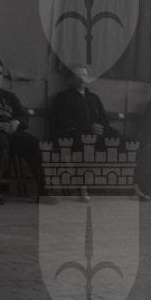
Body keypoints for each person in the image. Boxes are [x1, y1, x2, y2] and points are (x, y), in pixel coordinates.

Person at [0, 58, 56, 205]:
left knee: (34, 144)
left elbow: (23, 116)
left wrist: (16, 122)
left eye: (0, 73)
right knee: (0, 143)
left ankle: (43, 193)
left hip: (11, 133)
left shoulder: (9, 97)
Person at [50, 64, 120, 201]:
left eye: (84, 75)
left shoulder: (94, 97)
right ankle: (83, 188)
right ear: (70, 79)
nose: (81, 78)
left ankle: (131, 186)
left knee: (125, 141)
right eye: (77, 76)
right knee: (85, 143)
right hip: (73, 136)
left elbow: (104, 119)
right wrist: (89, 127)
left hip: (97, 135)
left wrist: (101, 128)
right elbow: (64, 121)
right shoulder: (63, 97)